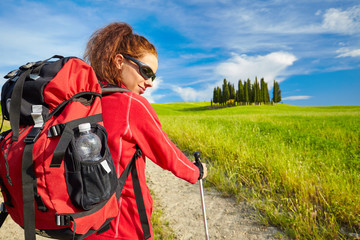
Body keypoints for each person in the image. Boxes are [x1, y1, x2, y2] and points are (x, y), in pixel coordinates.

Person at [83, 22, 207, 240]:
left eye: (153, 76)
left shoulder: (86, 100)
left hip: (85, 224)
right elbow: (167, 153)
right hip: (122, 227)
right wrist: (196, 171)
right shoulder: (131, 104)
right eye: (145, 71)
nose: (149, 83)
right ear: (119, 61)